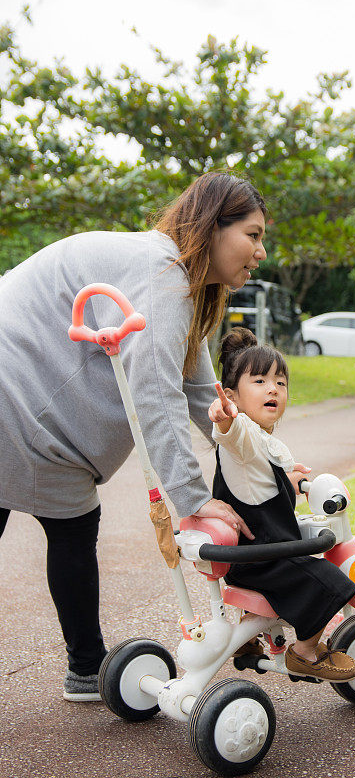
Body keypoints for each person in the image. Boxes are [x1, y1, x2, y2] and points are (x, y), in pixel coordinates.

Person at [0, 172, 267, 700]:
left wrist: (260, 458)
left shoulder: (183, 284)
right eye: (253, 234)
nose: (261, 252)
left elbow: (197, 393)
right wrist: (194, 498)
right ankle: (86, 666)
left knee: (72, 525)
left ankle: (86, 667)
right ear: (215, 227)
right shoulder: (164, 275)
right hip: (14, 389)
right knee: (71, 525)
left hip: (29, 404)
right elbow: (155, 396)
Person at [208, 327, 355, 682]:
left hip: (256, 555)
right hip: (263, 557)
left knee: (308, 563)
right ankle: (305, 652)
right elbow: (231, 433)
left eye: (280, 382)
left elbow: (258, 485)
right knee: (330, 580)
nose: (273, 388)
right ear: (233, 395)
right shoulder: (243, 432)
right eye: (259, 381)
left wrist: (288, 483)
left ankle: (248, 639)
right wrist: (226, 415)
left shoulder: (262, 442)